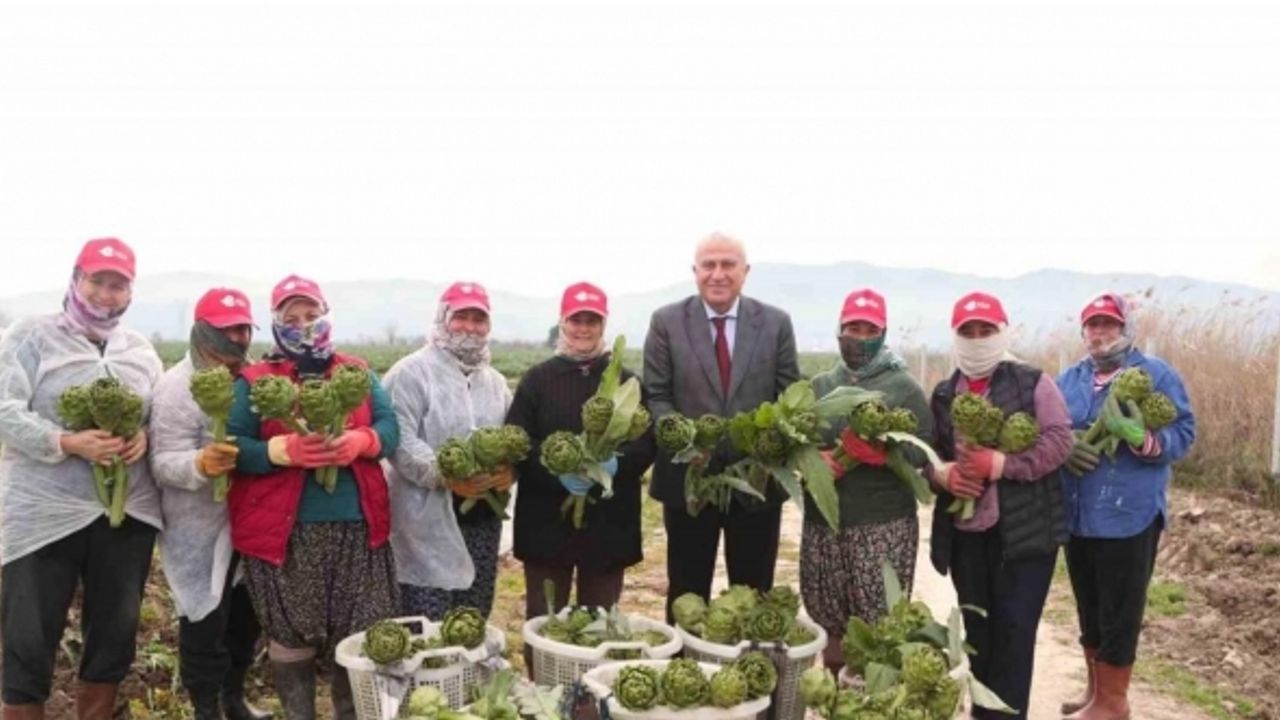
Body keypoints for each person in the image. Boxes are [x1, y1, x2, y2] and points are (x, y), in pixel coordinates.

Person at [0, 237, 163, 720]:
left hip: (124, 514)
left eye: (118, 285)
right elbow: (4, 408)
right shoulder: (30, 336)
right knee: (29, 633)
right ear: (75, 280)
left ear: (130, 293)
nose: (106, 294)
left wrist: (145, 437)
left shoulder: (140, 351)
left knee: (113, 632)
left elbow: (162, 411)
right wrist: (66, 442)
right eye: (97, 281)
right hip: (43, 512)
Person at [226, 275, 400, 720]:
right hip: (286, 534)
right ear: (275, 325)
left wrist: (362, 440)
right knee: (290, 634)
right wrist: (281, 450)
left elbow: (389, 427)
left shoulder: (356, 372)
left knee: (357, 635)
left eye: (312, 315)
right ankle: (298, 713)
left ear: (327, 315)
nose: (303, 325)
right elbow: (233, 446)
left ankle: (349, 711)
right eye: (291, 318)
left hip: (359, 529)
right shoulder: (256, 380)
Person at [927, 291, 1073, 720]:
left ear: (1003, 331)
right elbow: (926, 456)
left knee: (1014, 635)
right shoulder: (943, 393)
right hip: (968, 539)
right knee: (980, 634)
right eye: (967, 332)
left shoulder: (1032, 383)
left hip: (1024, 539)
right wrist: (944, 474)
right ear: (955, 337)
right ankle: (982, 713)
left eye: (985, 330)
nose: (977, 339)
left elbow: (1060, 441)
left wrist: (1002, 464)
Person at [643, 233, 800, 620]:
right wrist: (687, 444)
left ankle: (747, 673)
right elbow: (657, 397)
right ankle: (685, 672)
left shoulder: (776, 324)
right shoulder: (667, 322)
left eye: (727, 265)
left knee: (752, 595)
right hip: (689, 482)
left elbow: (791, 398)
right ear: (694, 272)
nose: (718, 274)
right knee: (687, 593)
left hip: (757, 483)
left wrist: (767, 448)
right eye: (708, 265)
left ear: (745, 272)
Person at [1056, 293, 1195, 720]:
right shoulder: (1070, 379)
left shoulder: (1155, 375)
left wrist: (1141, 439)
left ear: (1126, 329)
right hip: (1078, 512)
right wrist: (1066, 446)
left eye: (1109, 324)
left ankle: (1114, 703)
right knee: (1090, 604)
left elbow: (1184, 434)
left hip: (1128, 513)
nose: (1100, 333)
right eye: (1092, 325)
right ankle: (1095, 692)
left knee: (1120, 608)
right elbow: (1052, 429)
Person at [508, 283, 656, 655]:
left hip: (608, 523)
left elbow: (646, 440)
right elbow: (519, 441)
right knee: (544, 622)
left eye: (592, 320)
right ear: (563, 322)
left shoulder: (627, 381)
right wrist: (555, 468)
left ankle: (591, 704)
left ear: (603, 325)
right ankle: (544, 699)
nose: (583, 329)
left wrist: (613, 465)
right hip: (546, 522)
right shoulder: (537, 380)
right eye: (576, 320)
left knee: (600, 628)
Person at [149, 287, 269, 720]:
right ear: (202, 330)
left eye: (243, 328)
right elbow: (162, 463)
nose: (237, 338)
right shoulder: (176, 388)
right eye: (227, 329)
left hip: (250, 521)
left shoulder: (253, 379)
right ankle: (206, 709)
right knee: (204, 623)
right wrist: (200, 463)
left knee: (244, 621)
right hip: (198, 527)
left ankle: (234, 701)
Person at [803, 289, 934, 671]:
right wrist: (815, 460)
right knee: (831, 619)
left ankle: (872, 697)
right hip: (824, 523)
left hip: (881, 523)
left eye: (869, 328)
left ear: (884, 332)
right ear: (839, 331)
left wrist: (886, 453)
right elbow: (796, 442)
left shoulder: (903, 387)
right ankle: (835, 696)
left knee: (878, 627)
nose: (860, 337)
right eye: (852, 328)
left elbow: (924, 448)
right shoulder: (821, 386)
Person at [383, 281, 511, 620]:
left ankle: (469, 671)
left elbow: (512, 438)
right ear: (442, 318)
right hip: (423, 517)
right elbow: (401, 438)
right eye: (461, 317)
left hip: (482, 517)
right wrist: (446, 475)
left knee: (471, 614)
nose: (470, 327)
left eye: (479, 319)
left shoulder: (496, 383)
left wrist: (509, 470)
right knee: (427, 617)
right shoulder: (411, 372)